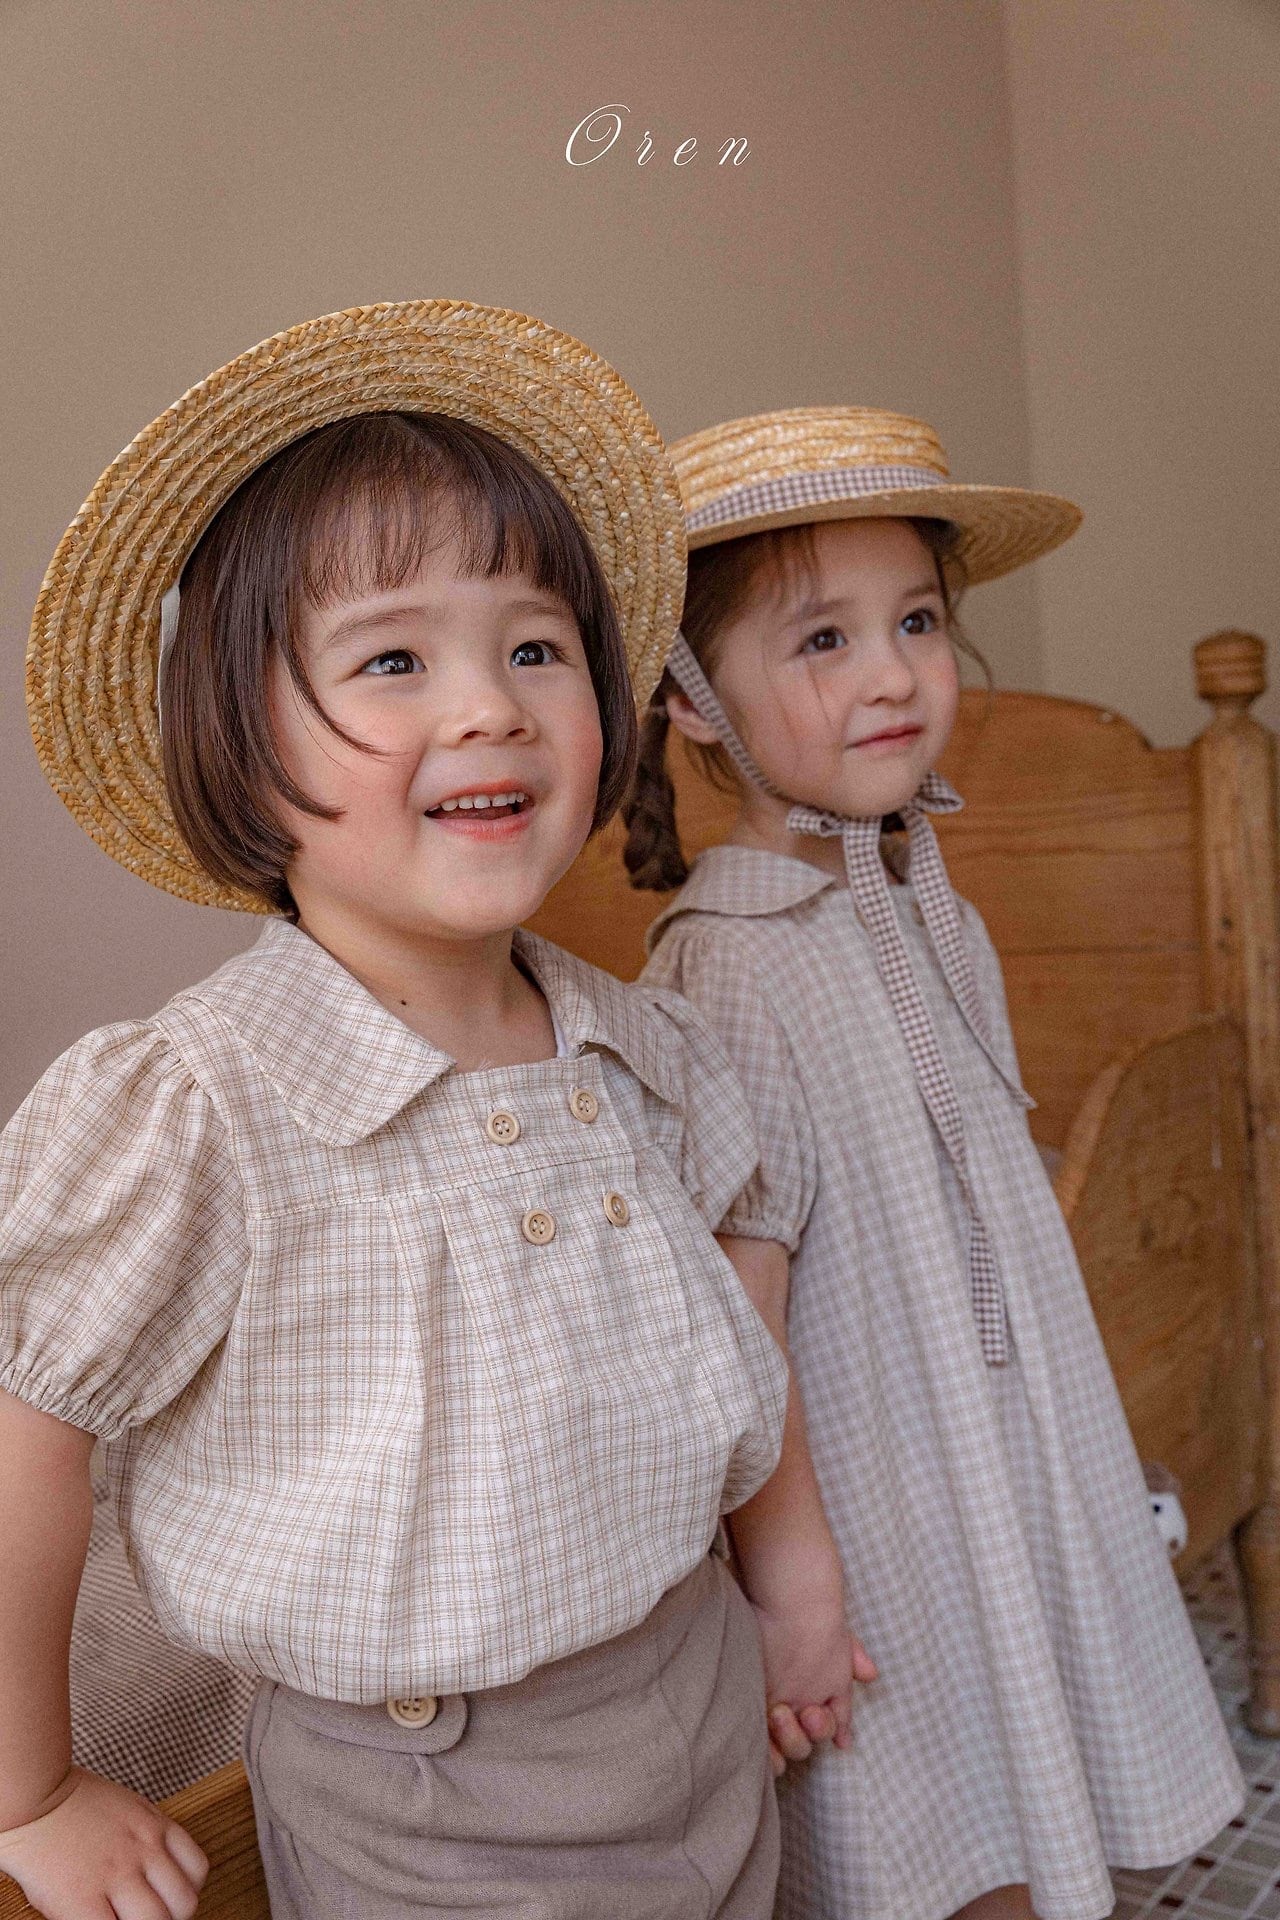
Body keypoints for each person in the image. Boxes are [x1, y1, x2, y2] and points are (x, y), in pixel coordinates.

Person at [0, 306, 842, 1920]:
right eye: (394, 660)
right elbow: (28, 1424)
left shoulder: (646, 1051)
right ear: (240, 745)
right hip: (426, 1799)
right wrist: (29, 1790)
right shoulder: (201, 1101)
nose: (491, 707)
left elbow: (742, 1340)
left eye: (535, 649)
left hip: (698, 1687)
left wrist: (794, 1590)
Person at [627, 405, 1245, 1920]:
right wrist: (794, 1584)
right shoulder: (727, 965)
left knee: (1036, 1805)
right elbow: (746, 1317)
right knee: (941, 1834)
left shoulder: (932, 913)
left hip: (994, 1452)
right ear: (695, 700)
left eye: (915, 621)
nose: (896, 672)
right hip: (878, 1497)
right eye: (822, 640)